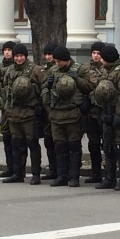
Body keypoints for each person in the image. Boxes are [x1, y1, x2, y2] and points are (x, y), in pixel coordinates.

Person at [42, 46, 91, 187]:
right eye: (56, 61)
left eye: (59, 61)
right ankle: (61, 176)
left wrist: (78, 80)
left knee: (74, 146)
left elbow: (88, 88)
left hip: (73, 114)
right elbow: (43, 89)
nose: (57, 63)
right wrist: (49, 83)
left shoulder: (79, 69)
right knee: (59, 146)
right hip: (56, 114)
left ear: (66, 59)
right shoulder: (53, 71)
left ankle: (74, 176)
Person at [1, 43, 47, 185]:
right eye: (16, 56)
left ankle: (35, 174)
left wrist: (41, 107)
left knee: (32, 143)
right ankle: (17, 173)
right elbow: (5, 88)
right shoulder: (9, 71)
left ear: (25, 56)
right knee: (16, 144)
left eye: (21, 56)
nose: (19, 58)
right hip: (14, 113)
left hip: (29, 113)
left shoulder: (36, 70)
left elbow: (44, 88)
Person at [94, 45, 120, 191]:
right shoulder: (106, 71)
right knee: (107, 146)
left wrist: (118, 115)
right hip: (106, 113)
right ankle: (109, 178)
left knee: (119, 146)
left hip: (118, 114)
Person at [82, 41, 106, 183]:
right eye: (94, 53)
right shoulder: (84, 68)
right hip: (91, 112)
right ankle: (96, 172)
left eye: (98, 53)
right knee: (93, 143)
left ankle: (109, 172)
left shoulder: (107, 67)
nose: (96, 56)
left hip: (104, 111)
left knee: (108, 144)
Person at [0, 40, 17, 178]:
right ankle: (10, 167)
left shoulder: (18, 67)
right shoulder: (1, 67)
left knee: (17, 139)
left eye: (9, 49)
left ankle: (18, 167)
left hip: (16, 107)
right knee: (6, 138)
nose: (7, 52)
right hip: (4, 107)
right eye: (5, 50)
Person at [40, 41, 58, 180]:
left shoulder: (60, 68)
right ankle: (53, 170)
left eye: (50, 54)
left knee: (60, 142)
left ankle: (63, 170)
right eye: (46, 54)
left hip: (58, 110)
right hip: (46, 111)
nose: (48, 57)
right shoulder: (43, 70)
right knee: (48, 141)